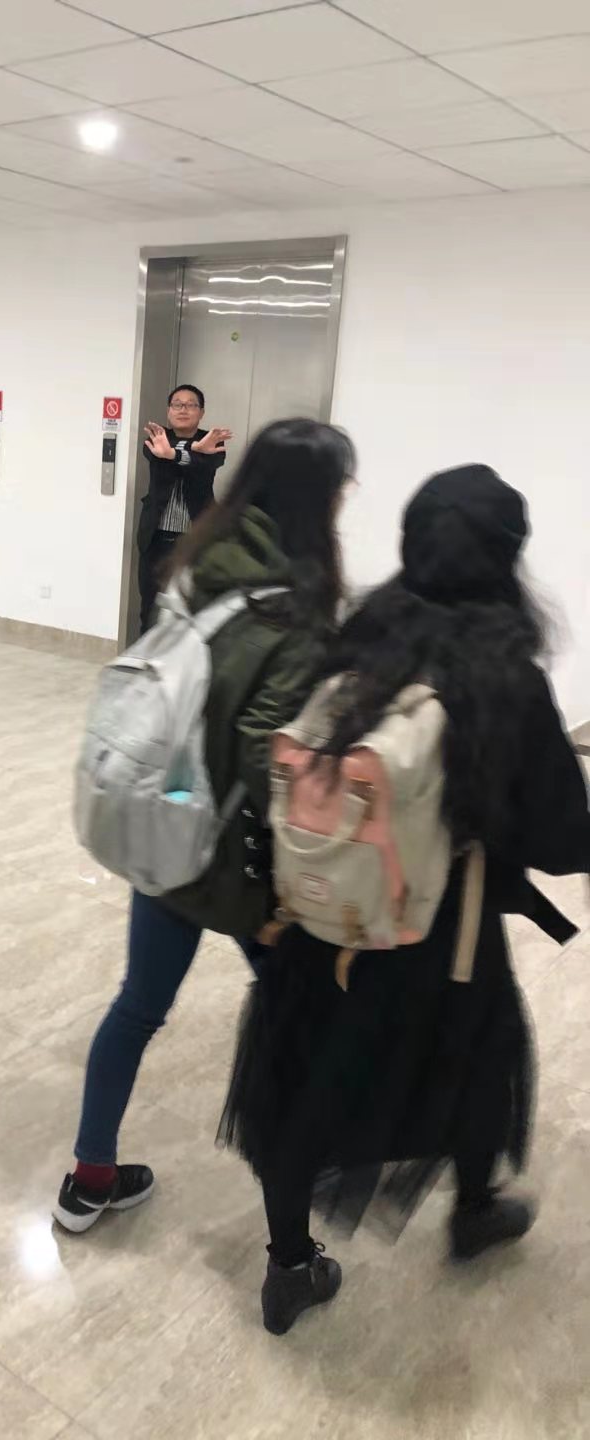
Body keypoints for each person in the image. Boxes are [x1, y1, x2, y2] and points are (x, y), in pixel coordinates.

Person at [222, 465, 590, 1338]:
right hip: (440, 933)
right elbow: (561, 838)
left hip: (326, 915)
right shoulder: (505, 675)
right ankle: (474, 1212)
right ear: (507, 557)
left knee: (301, 1091)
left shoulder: (359, 643)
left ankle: (289, 1267)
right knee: (481, 1060)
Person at [55, 418, 356, 1234]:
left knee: (137, 1007)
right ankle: (314, 1165)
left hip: (168, 821)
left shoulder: (199, 561)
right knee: (299, 1012)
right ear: (319, 499)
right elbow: (267, 750)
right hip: (239, 858)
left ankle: (88, 1179)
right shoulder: (296, 606)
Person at [136, 384, 232, 632]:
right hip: (156, 538)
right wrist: (194, 451)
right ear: (169, 410)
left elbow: (206, 465)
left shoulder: (213, 440)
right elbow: (161, 459)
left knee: (192, 607)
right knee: (150, 606)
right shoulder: (156, 438)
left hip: (195, 540)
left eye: (191, 405)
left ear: (201, 412)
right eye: (177, 404)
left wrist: (176, 454)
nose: (183, 409)